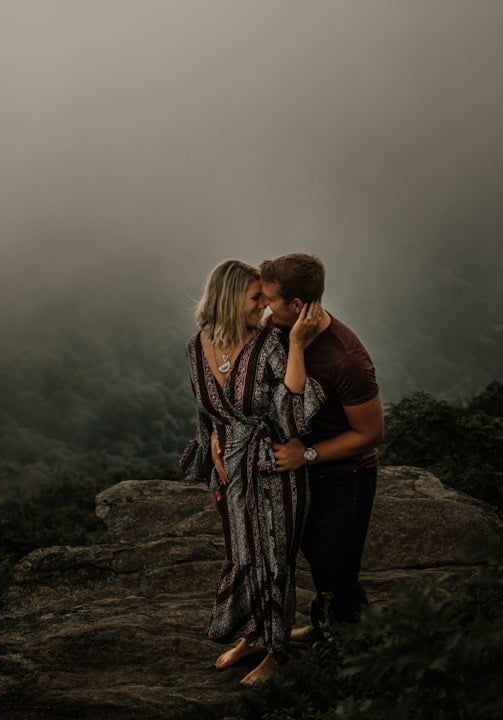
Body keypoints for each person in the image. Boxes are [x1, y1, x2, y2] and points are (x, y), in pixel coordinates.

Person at [180, 259, 325, 687]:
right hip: (231, 474)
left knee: (274, 560)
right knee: (242, 556)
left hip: (273, 467)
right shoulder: (195, 346)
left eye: (265, 296)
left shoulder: (271, 343)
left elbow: (295, 413)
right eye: (255, 297)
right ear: (227, 300)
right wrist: (212, 465)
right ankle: (253, 636)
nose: (263, 305)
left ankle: (278, 654)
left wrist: (297, 346)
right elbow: (204, 414)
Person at [258, 253, 384, 636]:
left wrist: (305, 454)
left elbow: (370, 434)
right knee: (318, 557)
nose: (264, 306)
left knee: (335, 564)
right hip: (305, 472)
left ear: (296, 305)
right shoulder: (280, 330)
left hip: (346, 474)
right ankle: (329, 623)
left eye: (269, 299)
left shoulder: (347, 359)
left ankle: (352, 642)